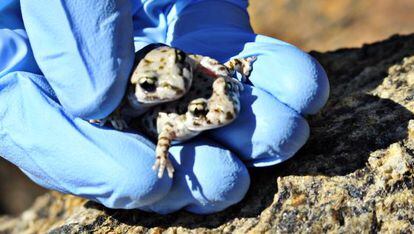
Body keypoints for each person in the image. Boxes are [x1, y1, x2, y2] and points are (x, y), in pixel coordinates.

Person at [0, 0, 329, 214]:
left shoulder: (182, 70)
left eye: (180, 66)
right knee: (119, 141)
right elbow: (155, 127)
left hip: (156, 47)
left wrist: (224, 66)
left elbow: (192, 63)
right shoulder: (159, 114)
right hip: (119, 96)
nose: (177, 86)